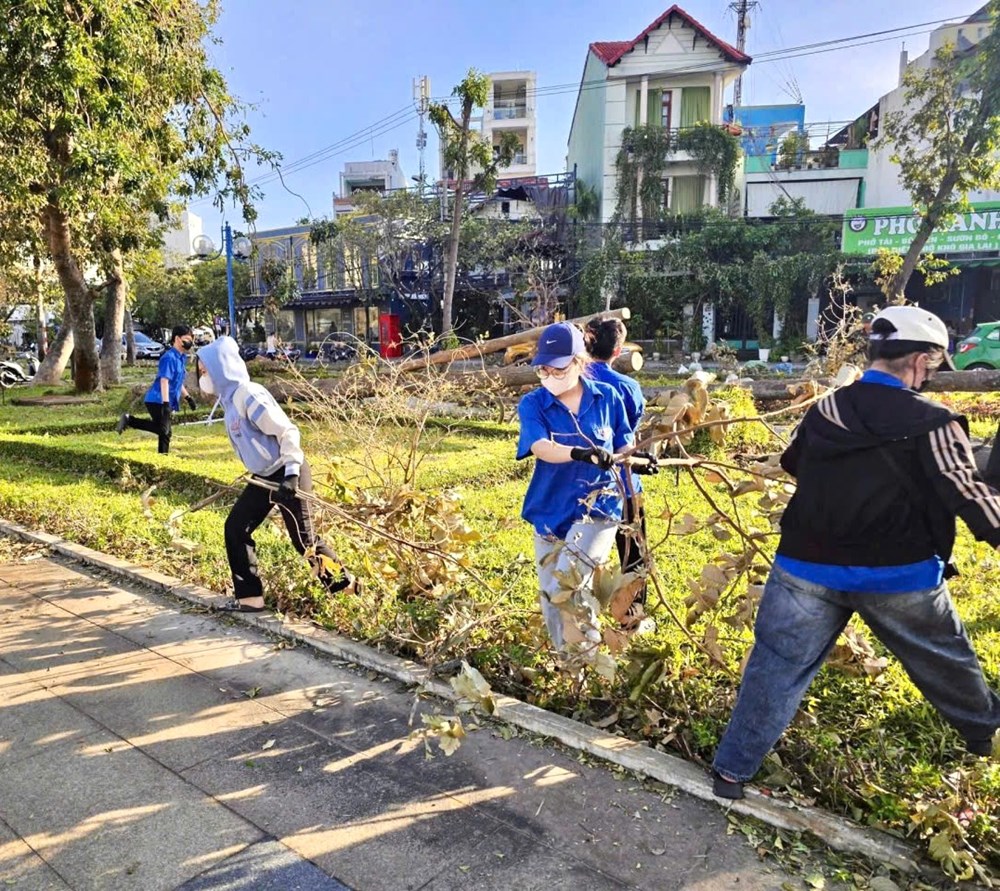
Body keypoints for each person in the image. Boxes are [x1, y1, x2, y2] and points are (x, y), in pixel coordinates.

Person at [711, 305, 1000, 801]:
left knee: (775, 669)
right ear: (921, 361)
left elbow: (794, 462)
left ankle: (731, 773)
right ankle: (984, 740)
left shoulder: (827, 408)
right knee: (948, 664)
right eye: (933, 366)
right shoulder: (935, 422)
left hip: (804, 567)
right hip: (899, 578)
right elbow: (969, 494)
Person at [517, 322, 656, 651]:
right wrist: (579, 452)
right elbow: (539, 446)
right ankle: (567, 668)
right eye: (544, 368)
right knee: (552, 598)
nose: (550, 374)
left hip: (599, 508)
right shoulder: (534, 404)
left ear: (580, 361)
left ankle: (589, 662)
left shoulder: (607, 397)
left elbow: (623, 445)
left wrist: (638, 460)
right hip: (551, 510)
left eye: (558, 367)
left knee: (571, 590)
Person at [196, 336, 357, 613]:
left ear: (220, 368)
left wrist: (291, 475)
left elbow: (287, 431)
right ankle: (249, 598)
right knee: (236, 528)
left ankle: (348, 588)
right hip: (263, 477)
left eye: (205, 371)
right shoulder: (230, 402)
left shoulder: (249, 395)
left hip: (287, 470)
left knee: (304, 541)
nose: (202, 376)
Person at [584, 316, 654, 627]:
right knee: (633, 556)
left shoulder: (570, 381)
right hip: (622, 482)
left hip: (580, 485)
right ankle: (631, 617)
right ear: (619, 350)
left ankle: (582, 616)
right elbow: (629, 437)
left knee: (581, 559)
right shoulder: (627, 387)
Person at [117, 325, 197, 454]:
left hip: (166, 400)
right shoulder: (169, 357)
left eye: (191, 339)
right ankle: (129, 420)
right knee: (163, 430)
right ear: (177, 339)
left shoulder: (181, 358)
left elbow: (178, 381)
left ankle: (163, 456)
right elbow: (164, 380)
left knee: (166, 432)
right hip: (158, 399)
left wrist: (188, 398)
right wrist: (165, 404)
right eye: (187, 339)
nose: (190, 342)